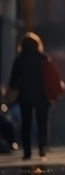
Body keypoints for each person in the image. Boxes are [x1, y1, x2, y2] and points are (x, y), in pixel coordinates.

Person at [7, 32, 53, 160]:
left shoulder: (19, 59)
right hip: (42, 96)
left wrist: (11, 91)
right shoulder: (43, 58)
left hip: (25, 96)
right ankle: (42, 146)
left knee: (26, 123)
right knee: (42, 122)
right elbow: (50, 77)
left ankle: (27, 151)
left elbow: (13, 80)